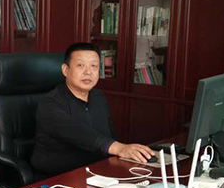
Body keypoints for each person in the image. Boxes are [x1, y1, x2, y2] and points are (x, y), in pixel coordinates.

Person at [30, 42, 154, 176]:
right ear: (65, 70)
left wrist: (129, 153)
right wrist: (119, 148)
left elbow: (108, 136)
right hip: (57, 178)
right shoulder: (50, 103)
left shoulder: (98, 97)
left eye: (94, 66)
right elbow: (78, 133)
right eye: (80, 65)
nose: (88, 72)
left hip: (97, 172)